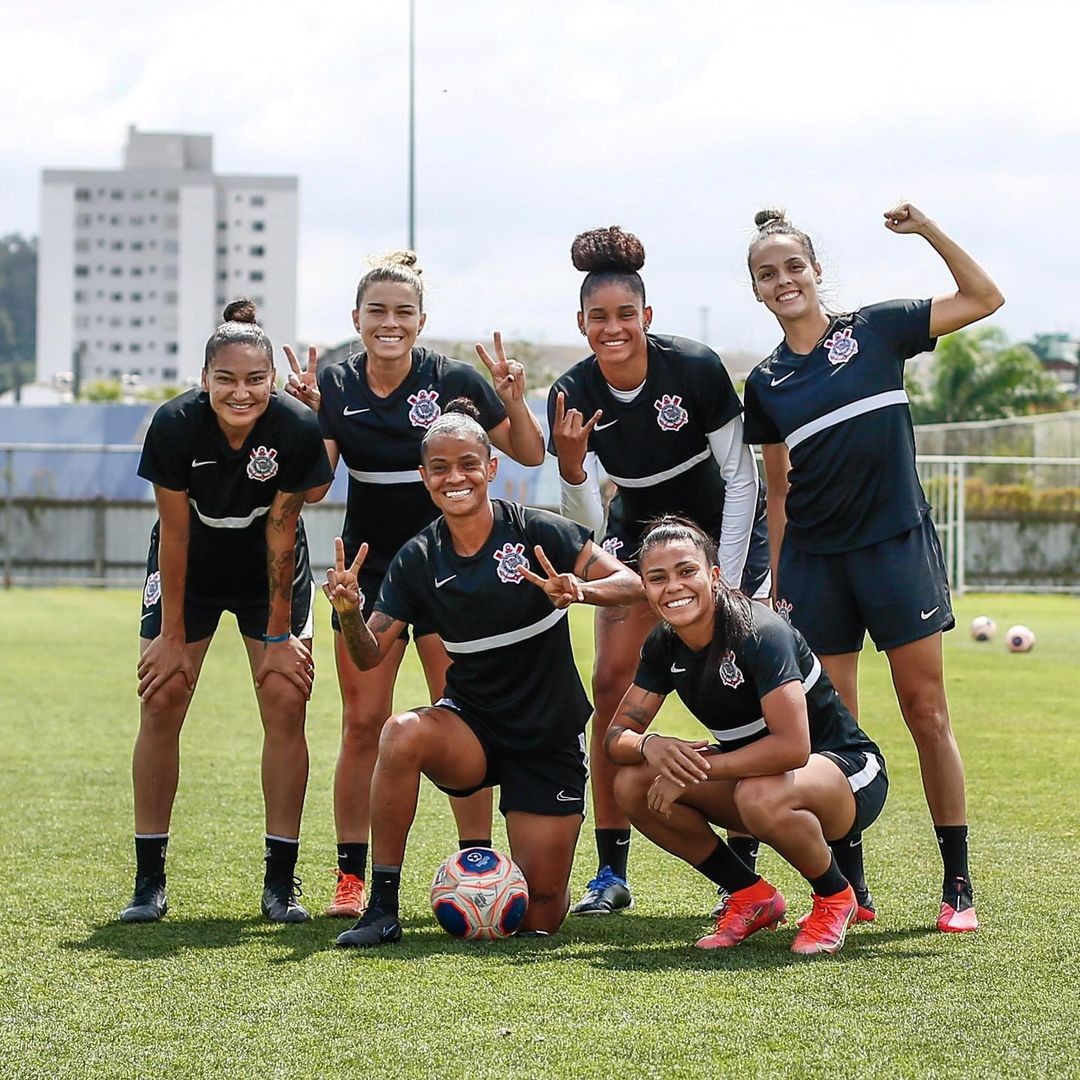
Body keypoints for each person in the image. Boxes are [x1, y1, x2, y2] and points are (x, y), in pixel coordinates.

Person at [742, 203, 1004, 932]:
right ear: (758, 291)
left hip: (895, 548)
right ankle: (850, 886)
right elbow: (780, 488)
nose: (785, 280)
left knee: (926, 713)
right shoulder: (764, 383)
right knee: (838, 733)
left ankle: (957, 885)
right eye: (769, 274)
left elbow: (985, 299)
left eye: (794, 266)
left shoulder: (876, 329)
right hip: (818, 566)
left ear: (816, 269)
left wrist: (929, 232)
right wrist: (778, 582)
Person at [283, 250, 546, 919]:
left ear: (421, 321)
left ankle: (478, 865)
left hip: (453, 574)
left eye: (403, 312)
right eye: (378, 311)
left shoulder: (454, 380)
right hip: (370, 579)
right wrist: (306, 420)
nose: (390, 322)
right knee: (363, 723)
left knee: (462, 719)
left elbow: (529, 453)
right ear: (357, 318)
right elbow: (314, 487)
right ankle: (351, 879)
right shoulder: (338, 385)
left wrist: (514, 399)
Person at [322, 402, 643, 946]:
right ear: (424, 478)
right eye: (440, 468)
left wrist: (579, 589)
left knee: (538, 915)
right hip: (471, 728)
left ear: (491, 469)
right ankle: (380, 909)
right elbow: (371, 654)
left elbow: (632, 585)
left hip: (547, 738)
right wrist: (351, 614)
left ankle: (511, 885)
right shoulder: (418, 558)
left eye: (468, 464)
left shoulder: (538, 532)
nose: (456, 478)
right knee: (400, 732)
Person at [547, 226, 770, 915]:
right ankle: (610, 874)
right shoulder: (573, 391)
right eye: (597, 318)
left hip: (719, 539)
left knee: (743, 691)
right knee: (612, 685)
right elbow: (584, 515)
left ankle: (748, 861)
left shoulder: (695, 368)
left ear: (646, 317)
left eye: (624, 315)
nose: (611, 329)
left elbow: (740, 475)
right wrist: (573, 465)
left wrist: (726, 576)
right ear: (581, 324)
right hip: (637, 538)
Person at [122, 300, 334, 924]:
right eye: (226, 379)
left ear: (271, 380)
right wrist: (170, 634)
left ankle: (280, 884)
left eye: (254, 380)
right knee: (162, 697)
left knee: (284, 696)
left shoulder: (294, 428)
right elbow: (175, 534)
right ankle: (148, 882)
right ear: (205, 377)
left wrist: (276, 635)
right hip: (192, 567)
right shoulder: (174, 425)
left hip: (269, 569)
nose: (240, 392)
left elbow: (280, 530)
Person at [606, 517, 888, 955]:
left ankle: (835, 896)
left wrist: (698, 769)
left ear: (713, 575)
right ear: (644, 587)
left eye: (687, 571)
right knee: (632, 783)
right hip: (759, 778)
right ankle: (750, 895)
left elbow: (793, 747)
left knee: (759, 795)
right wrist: (650, 744)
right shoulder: (663, 644)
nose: (674, 587)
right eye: (657, 578)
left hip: (847, 773)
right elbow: (616, 738)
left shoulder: (760, 632)